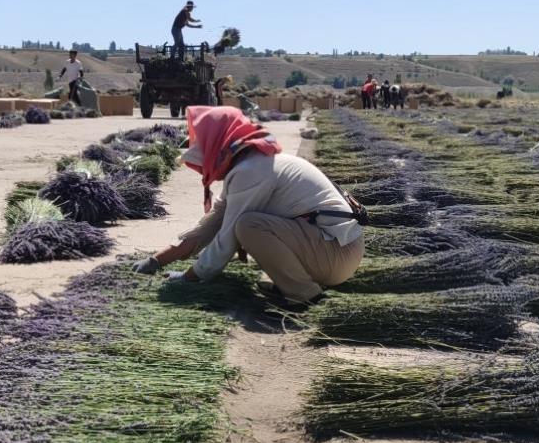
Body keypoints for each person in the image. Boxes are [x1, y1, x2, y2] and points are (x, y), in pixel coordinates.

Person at [132, 106, 365, 305]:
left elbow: (227, 239)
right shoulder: (252, 164)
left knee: (248, 226)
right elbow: (210, 225)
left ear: (219, 141)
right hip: (335, 250)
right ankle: (298, 282)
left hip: (335, 254)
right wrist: (157, 260)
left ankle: (304, 295)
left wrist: (188, 277)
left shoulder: (250, 170)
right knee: (244, 224)